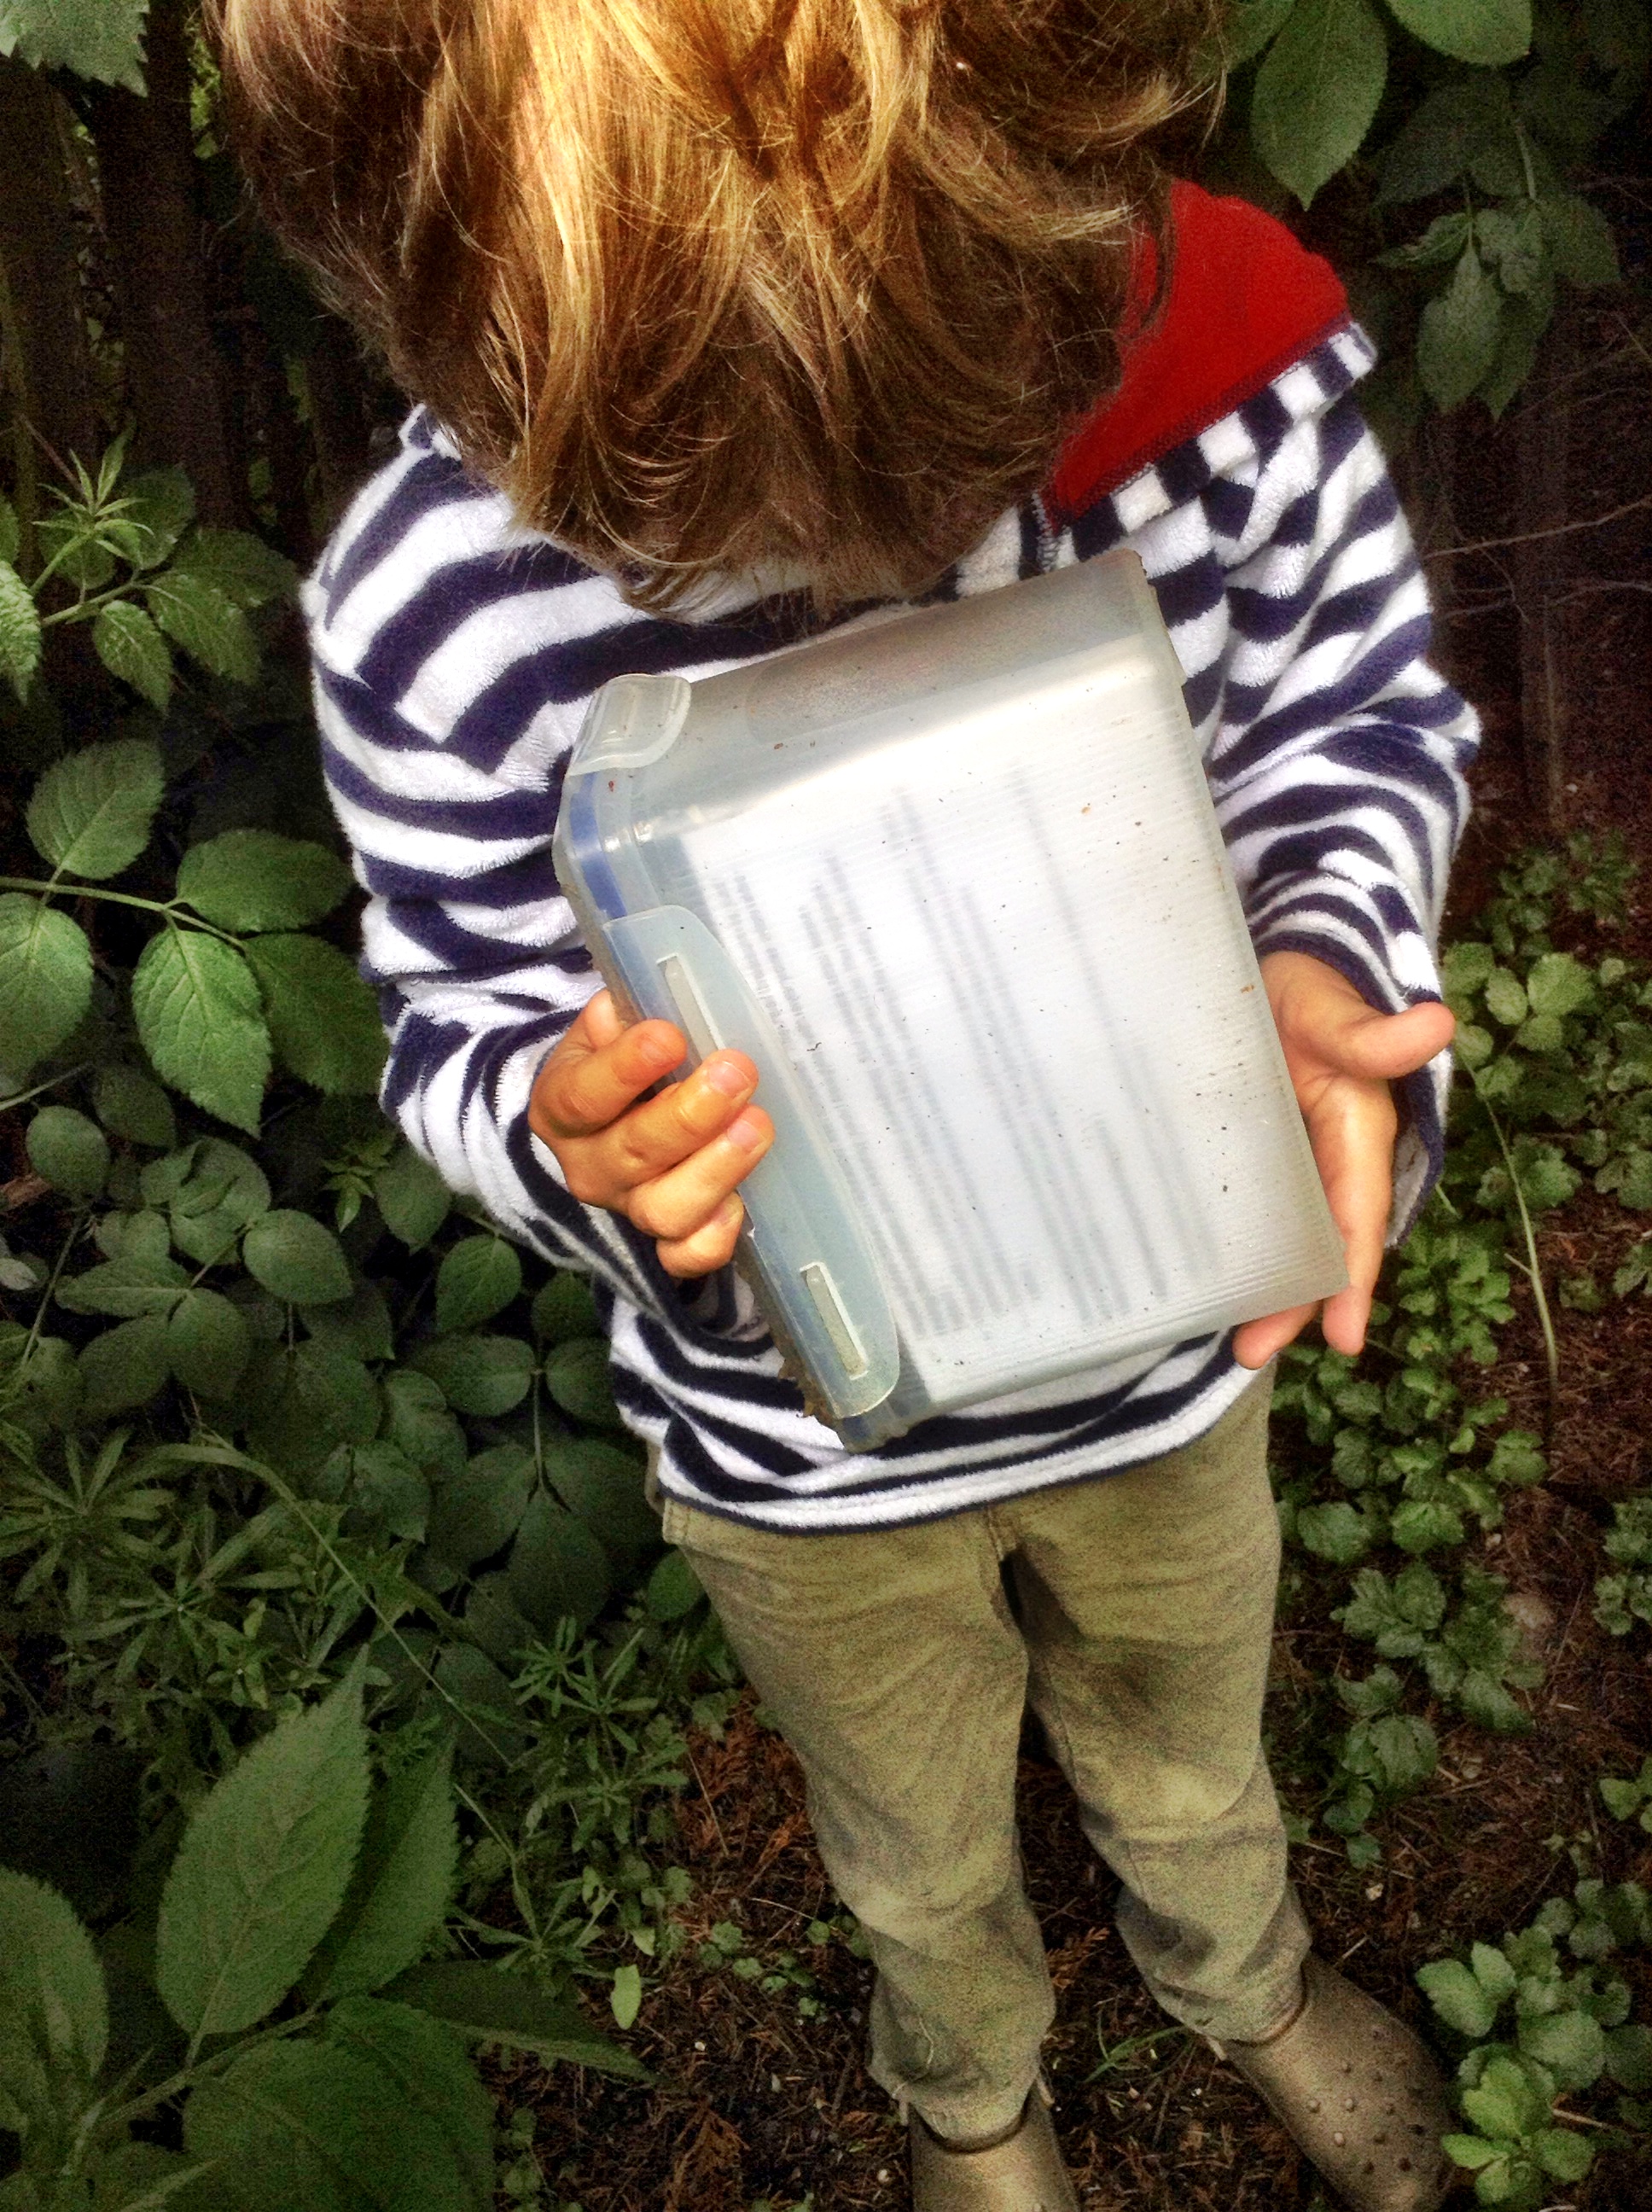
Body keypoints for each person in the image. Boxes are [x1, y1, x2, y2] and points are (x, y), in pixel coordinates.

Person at [215, 4, 1477, 2205]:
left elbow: (1344, 718)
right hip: (802, 1461)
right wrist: (567, 1135)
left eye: (935, 464)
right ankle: (971, 2089)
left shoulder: (1226, 399)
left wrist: (1326, 953)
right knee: (911, 1828)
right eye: (698, 507)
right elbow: (452, 1015)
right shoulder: (431, 623)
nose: (844, 557)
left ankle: (1241, 1971)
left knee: (1192, 1736)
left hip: (1175, 1371)